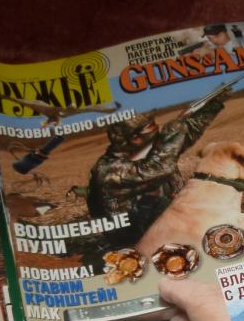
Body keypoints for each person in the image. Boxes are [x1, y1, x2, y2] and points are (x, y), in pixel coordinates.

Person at [85, 87, 229, 242]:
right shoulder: (108, 170)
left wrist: (214, 104)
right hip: (133, 238)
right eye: (151, 126)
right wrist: (174, 130)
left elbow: (187, 133)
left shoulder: (152, 152)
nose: (157, 127)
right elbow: (159, 169)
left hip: (160, 223)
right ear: (135, 138)